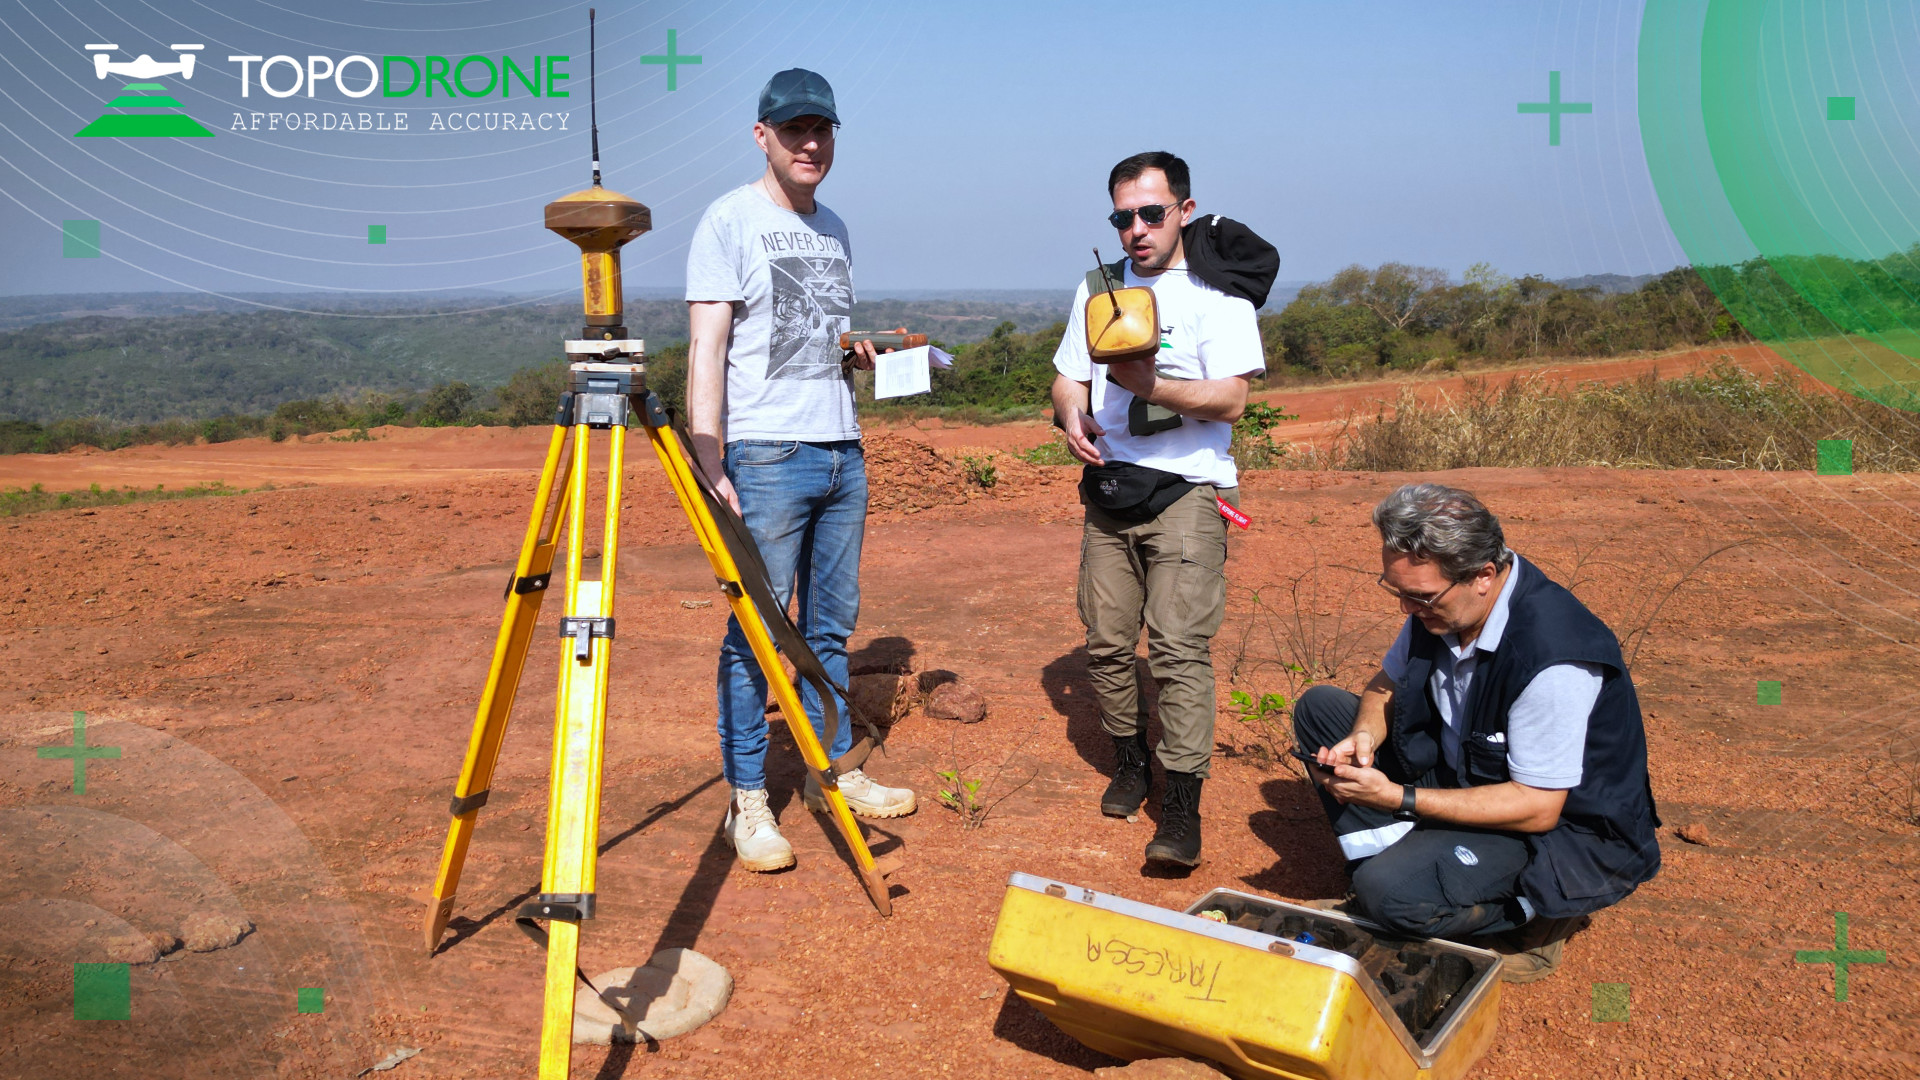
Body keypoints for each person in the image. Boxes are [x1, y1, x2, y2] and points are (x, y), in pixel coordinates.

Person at [685, 68, 915, 874]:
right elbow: (708, 347)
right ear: (763, 136)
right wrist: (709, 458)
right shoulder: (729, 220)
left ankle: (833, 772)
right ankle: (747, 801)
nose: (810, 144)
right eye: (794, 131)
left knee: (829, 627)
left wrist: (853, 353)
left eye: (822, 130)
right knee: (756, 632)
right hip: (765, 455)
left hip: (839, 448)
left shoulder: (837, 228)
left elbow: (812, 341)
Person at [1292, 483, 1661, 981]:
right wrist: (1364, 737)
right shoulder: (1445, 604)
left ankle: (1532, 921)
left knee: (1392, 896)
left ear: (1484, 575)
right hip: (1470, 777)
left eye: (1419, 596)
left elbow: (1538, 806)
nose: (1407, 610)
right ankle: (1404, 872)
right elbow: (1386, 684)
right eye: (1396, 592)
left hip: (1557, 833)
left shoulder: (1552, 658)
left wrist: (1399, 798)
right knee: (1322, 709)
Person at [1050, 151, 1266, 867]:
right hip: (1110, 488)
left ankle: (1180, 805)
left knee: (1177, 650)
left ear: (1185, 210)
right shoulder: (1097, 290)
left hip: (1190, 492)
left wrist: (1152, 386)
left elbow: (1232, 397)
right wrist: (1072, 413)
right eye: (1123, 217)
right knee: (1107, 642)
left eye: (1151, 213)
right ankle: (1130, 759)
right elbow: (1066, 377)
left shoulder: (1218, 292)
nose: (1136, 229)